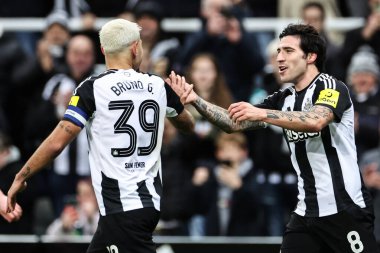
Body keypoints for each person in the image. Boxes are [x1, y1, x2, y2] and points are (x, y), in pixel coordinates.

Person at [167, 24, 379, 252]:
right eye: (278, 51)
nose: (279, 58)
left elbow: (315, 120)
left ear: (310, 56)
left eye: (288, 51)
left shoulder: (331, 87)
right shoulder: (283, 97)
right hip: (306, 214)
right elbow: (231, 123)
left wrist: (262, 114)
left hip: (345, 210)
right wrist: (196, 100)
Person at [7, 18, 194, 253]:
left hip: (122, 208)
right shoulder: (157, 85)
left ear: (103, 50)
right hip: (141, 205)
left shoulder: (92, 88)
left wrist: (20, 177)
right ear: (136, 47)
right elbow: (188, 124)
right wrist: (177, 102)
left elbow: (56, 144)